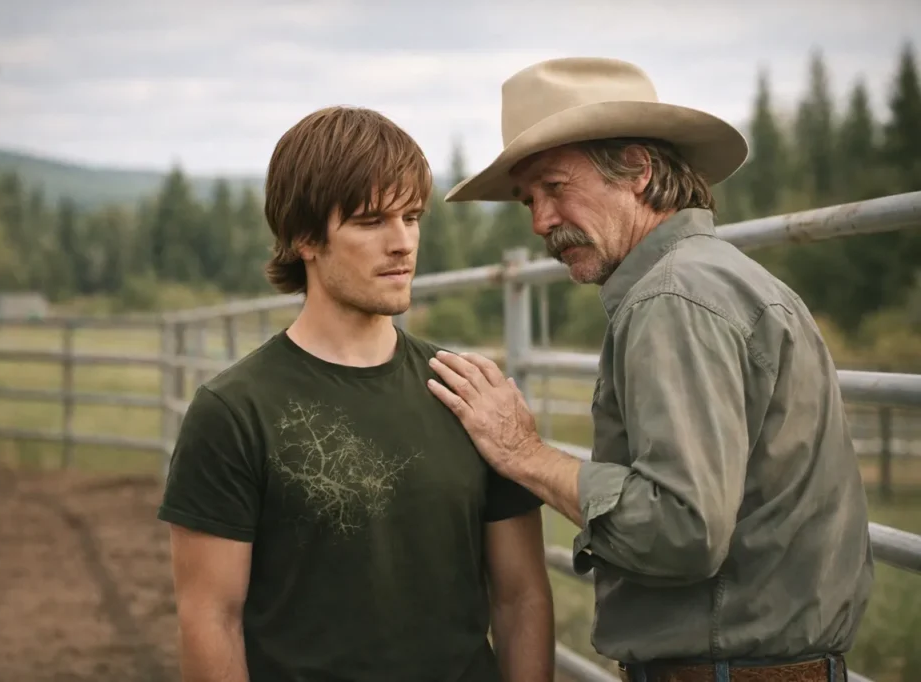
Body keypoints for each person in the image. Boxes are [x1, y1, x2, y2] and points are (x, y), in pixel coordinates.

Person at [426, 57, 873, 682]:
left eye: (555, 187)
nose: (539, 222)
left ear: (636, 169)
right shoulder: (716, 277)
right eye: (528, 199)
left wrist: (523, 453)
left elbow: (681, 529)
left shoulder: (671, 299)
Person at [157, 105, 555, 682]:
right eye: (371, 221)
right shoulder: (233, 413)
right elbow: (211, 619)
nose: (402, 244)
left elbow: (522, 599)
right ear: (303, 238)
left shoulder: (471, 394)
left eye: (412, 216)